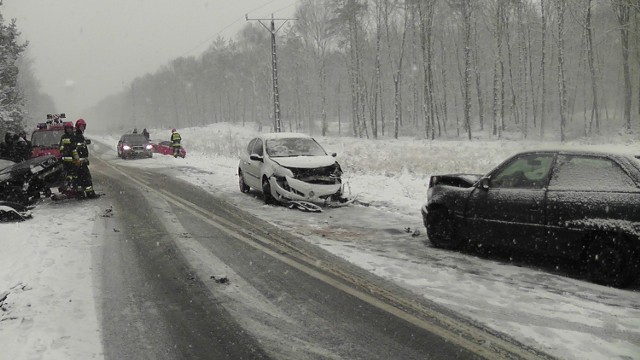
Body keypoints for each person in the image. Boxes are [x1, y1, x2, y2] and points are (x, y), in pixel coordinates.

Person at [74, 119, 96, 199]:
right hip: (80, 162)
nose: (83, 128)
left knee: (80, 178)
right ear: (78, 127)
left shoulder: (79, 135)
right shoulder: (78, 136)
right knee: (86, 178)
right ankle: (90, 193)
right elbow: (77, 150)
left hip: (79, 162)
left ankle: (80, 194)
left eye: (84, 126)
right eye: (81, 126)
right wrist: (81, 159)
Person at [59, 121, 80, 194]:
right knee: (67, 175)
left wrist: (76, 159)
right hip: (66, 161)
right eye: (67, 128)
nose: (68, 129)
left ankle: (73, 188)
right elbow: (61, 147)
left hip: (73, 160)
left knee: (74, 175)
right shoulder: (63, 137)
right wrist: (63, 152)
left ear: (72, 128)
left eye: (69, 128)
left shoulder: (74, 136)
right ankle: (67, 188)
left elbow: (75, 149)